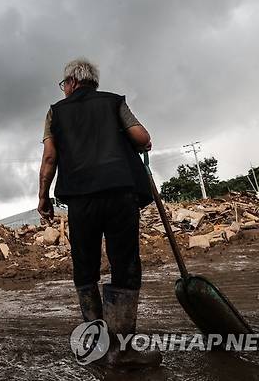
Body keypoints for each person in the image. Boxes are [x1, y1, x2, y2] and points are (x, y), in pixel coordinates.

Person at [37, 58, 161, 367]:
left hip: (81, 199)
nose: (63, 89)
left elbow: (50, 158)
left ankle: (97, 344)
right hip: (120, 191)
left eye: (64, 84)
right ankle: (123, 349)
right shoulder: (113, 102)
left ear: (73, 82)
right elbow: (142, 138)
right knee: (125, 264)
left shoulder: (55, 112)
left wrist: (43, 198)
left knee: (85, 266)